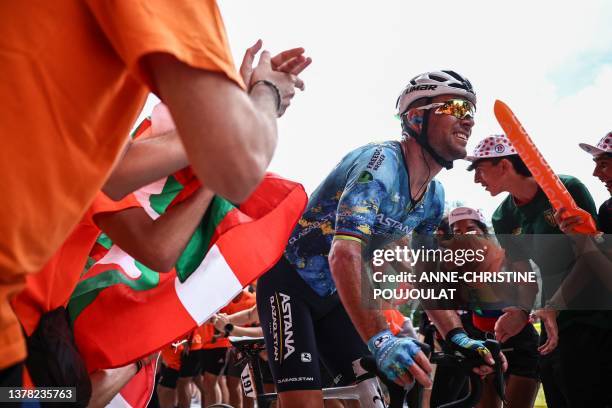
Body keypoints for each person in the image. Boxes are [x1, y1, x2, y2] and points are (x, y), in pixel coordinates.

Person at [0, 0, 310, 378]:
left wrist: (221, 132)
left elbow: (123, 183)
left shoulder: (86, 129)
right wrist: (265, 95)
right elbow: (241, 156)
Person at [256, 71, 506, 408]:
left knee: (372, 399)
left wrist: (457, 336)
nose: (468, 122)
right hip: (290, 284)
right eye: (458, 108)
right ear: (417, 117)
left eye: (471, 113)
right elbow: (343, 254)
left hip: (339, 297)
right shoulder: (379, 165)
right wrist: (381, 339)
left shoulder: (434, 197)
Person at [467, 134, 604, 407]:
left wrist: (555, 304)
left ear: (504, 166)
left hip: (593, 320)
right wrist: (520, 311)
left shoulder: (566, 189)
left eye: (479, 170)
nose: (476, 180)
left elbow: (591, 256)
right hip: (552, 322)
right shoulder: (503, 216)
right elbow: (525, 275)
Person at [431, 207, 540, 408]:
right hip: (483, 347)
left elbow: (529, 286)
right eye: (457, 231)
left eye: (471, 228)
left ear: (483, 231)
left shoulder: (506, 256)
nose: (465, 235)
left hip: (521, 346)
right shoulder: (452, 266)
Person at [545, 133, 612, 407]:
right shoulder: (608, 210)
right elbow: (597, 268)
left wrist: (586, 239)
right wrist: (553, 306)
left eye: (604, 163)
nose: (596, 173)